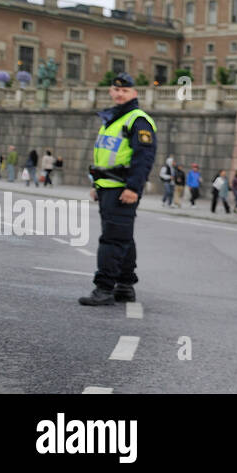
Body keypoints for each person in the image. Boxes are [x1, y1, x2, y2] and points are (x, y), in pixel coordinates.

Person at [79, 72, 156, 306]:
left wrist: (133, 187)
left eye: (125, 90)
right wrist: (96, 184)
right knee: (122, 237)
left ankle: (103, 288)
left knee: (111, 240)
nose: (120, 94)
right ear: (111, 92)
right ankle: (124, 286)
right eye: (116, 90)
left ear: (134, 93)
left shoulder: (137, 120)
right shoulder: (112, 119)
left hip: (123, 188)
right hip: (108, 186)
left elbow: (144, 158)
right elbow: (105, 156)